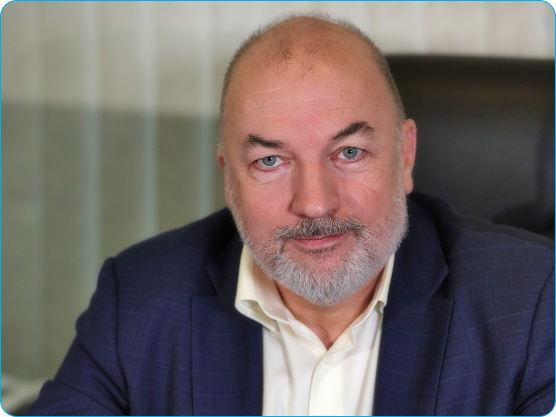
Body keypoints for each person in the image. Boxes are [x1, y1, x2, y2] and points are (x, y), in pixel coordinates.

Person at [28, 14, 554, 416]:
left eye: (349, 152)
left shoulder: (532, 302)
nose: (315, 203)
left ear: (406, 155)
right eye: (270, 161)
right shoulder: (137, 299)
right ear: (229, 179)